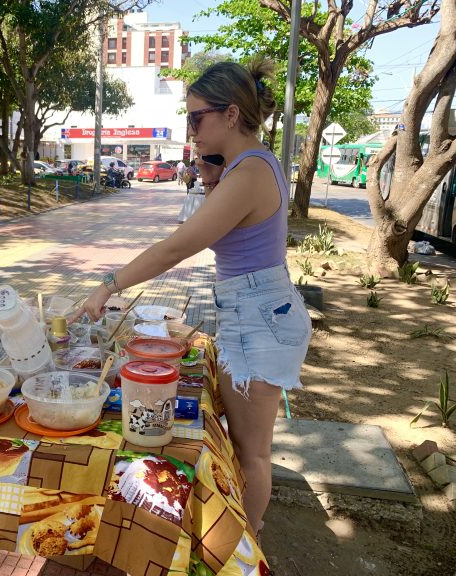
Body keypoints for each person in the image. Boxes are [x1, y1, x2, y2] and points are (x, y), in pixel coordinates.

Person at [73, 56, 311, 540]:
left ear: (230, 115)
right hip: (252, 314)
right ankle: (236, 537)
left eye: (197, 117)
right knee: (241, 445)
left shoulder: (249, 172)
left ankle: (245, 552)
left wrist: (109, 283)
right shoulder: (246, 166)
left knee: (253, 453)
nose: (191, 129)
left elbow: (179, 247)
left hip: (260, 321)